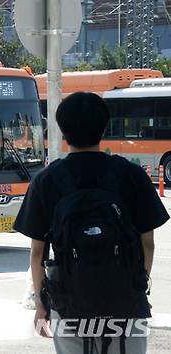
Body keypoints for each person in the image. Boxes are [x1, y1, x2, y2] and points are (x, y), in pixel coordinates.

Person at [14, 92, 169, 353]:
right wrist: (137, 286)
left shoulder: (47, 181)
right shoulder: (131, 175)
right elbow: (148, 244)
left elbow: (37, 252)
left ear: (63, 131)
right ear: (104, 127)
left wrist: (42, 305)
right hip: (126, 305)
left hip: (69, 304)